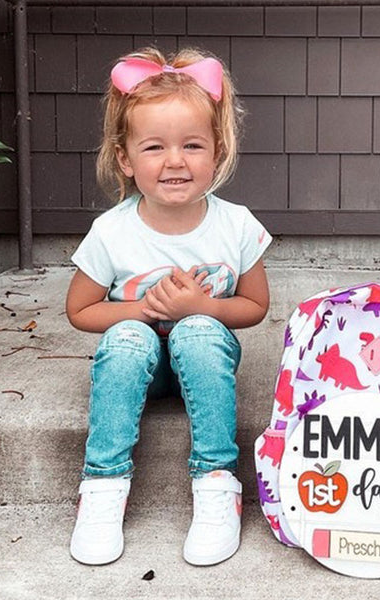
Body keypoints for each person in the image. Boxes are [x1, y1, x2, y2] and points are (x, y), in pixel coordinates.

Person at [66, 47, 272, 567]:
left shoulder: (236, 224)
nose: (175, 161)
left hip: (205, 362)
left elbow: (255, 306)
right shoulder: (112, 231)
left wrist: (201, 306)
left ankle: (216, 482)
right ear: (125, 159)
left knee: (198, 330)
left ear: (217, 151)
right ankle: (103, 487)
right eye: (154, 147)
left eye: (193, 145)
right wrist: (143, 312)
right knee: (127, 337)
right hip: (142, 367)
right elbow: (81, 311)